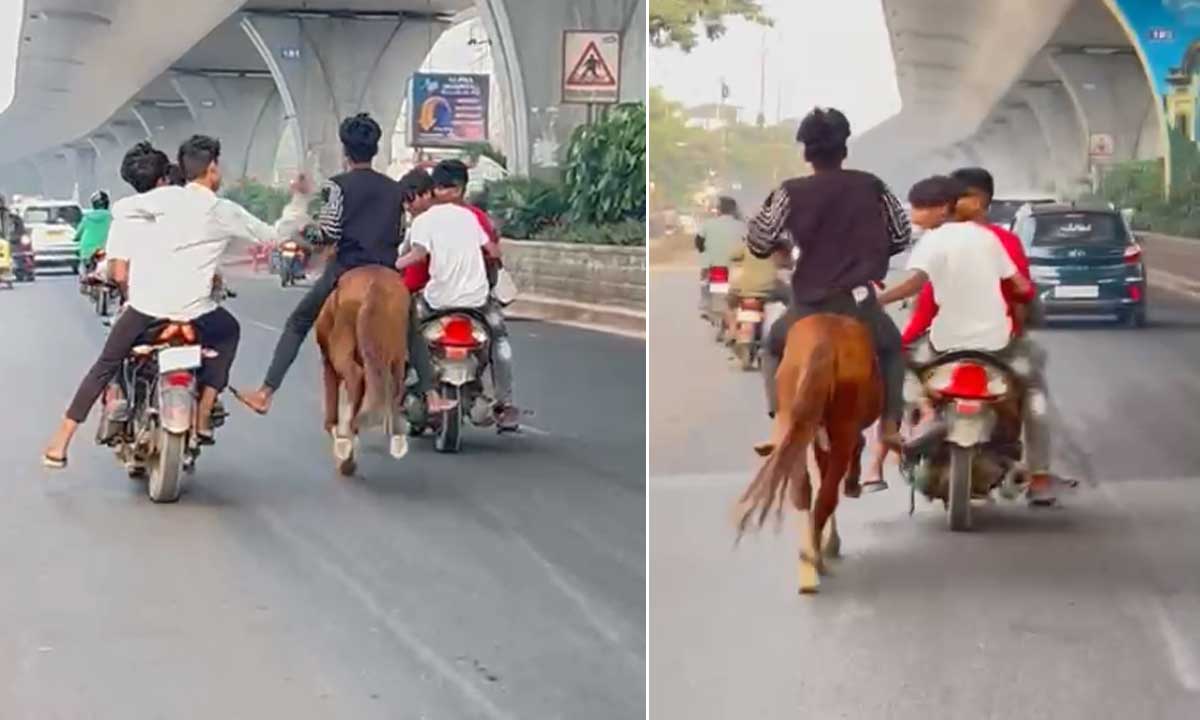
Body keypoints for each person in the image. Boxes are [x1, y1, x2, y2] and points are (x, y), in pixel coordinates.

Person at [42, 135, 303, 467]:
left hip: (145, 310)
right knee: (229, 332)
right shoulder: (223, 211)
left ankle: (60, 442)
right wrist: (297, 201)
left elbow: (121, 212)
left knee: (106, 364)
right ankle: (205, 410)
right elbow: (275, 236)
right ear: (212, 169)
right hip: (197, 314)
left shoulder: (162, 201)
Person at [235, 113, 453, 416]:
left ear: (345, 151)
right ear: (375, 149)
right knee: (411, 327)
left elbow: (329, 233)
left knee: (298, 322)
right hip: (388, 270)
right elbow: (399, 232)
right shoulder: (394, 189)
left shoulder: (336, 187)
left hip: (348, 268)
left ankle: (266, 392)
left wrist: (304, 230)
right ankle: (431, 394)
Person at [876, 175, 1056, 505]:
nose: (952, 205)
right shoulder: (1000, 241)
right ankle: (1041, 475)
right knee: (1034, 392)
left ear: (975, 201)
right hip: (1001, 344)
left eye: (958, 198)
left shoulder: (936, 241)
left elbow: (925, 300)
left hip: (946, 343)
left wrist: (901, 334)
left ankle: (922, 417)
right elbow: (1023, 290)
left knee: (903, 369)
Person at [748, 107, 911, 457]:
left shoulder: (788, 192)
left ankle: (780, 423)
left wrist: (783, 247)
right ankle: (891, 424)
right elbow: (900, 235)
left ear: (806, 152)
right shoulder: (873, 186)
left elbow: (759, 240)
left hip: (808, 302)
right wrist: (869, 253)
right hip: (857, 301)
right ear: (844, 149)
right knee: (893, 349)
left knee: (772, 348)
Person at [394, 162, 519, 429]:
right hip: (478, 301)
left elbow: (416, 255)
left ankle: (397, 392)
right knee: (500, 339)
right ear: (462, 188)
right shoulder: (473, 217)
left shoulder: (424, 220)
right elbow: (494, 252)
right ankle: (504, 402)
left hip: (436, 300)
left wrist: (389, 265)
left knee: (403, 330)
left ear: (434, 190)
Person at [695, 196, 747, 313]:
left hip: (713, 265)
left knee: (704, 275)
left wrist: (706, 251)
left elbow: (698, 242)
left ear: (719, 209)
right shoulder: (742, 226)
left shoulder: (708, 224)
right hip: (736, 267)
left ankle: (705, 300)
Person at [75, 190, 112, 270]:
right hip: (105, 252)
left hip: (87, 253)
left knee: (84, 272)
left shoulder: (87, 217)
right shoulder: (111, 217)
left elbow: (77, 235)